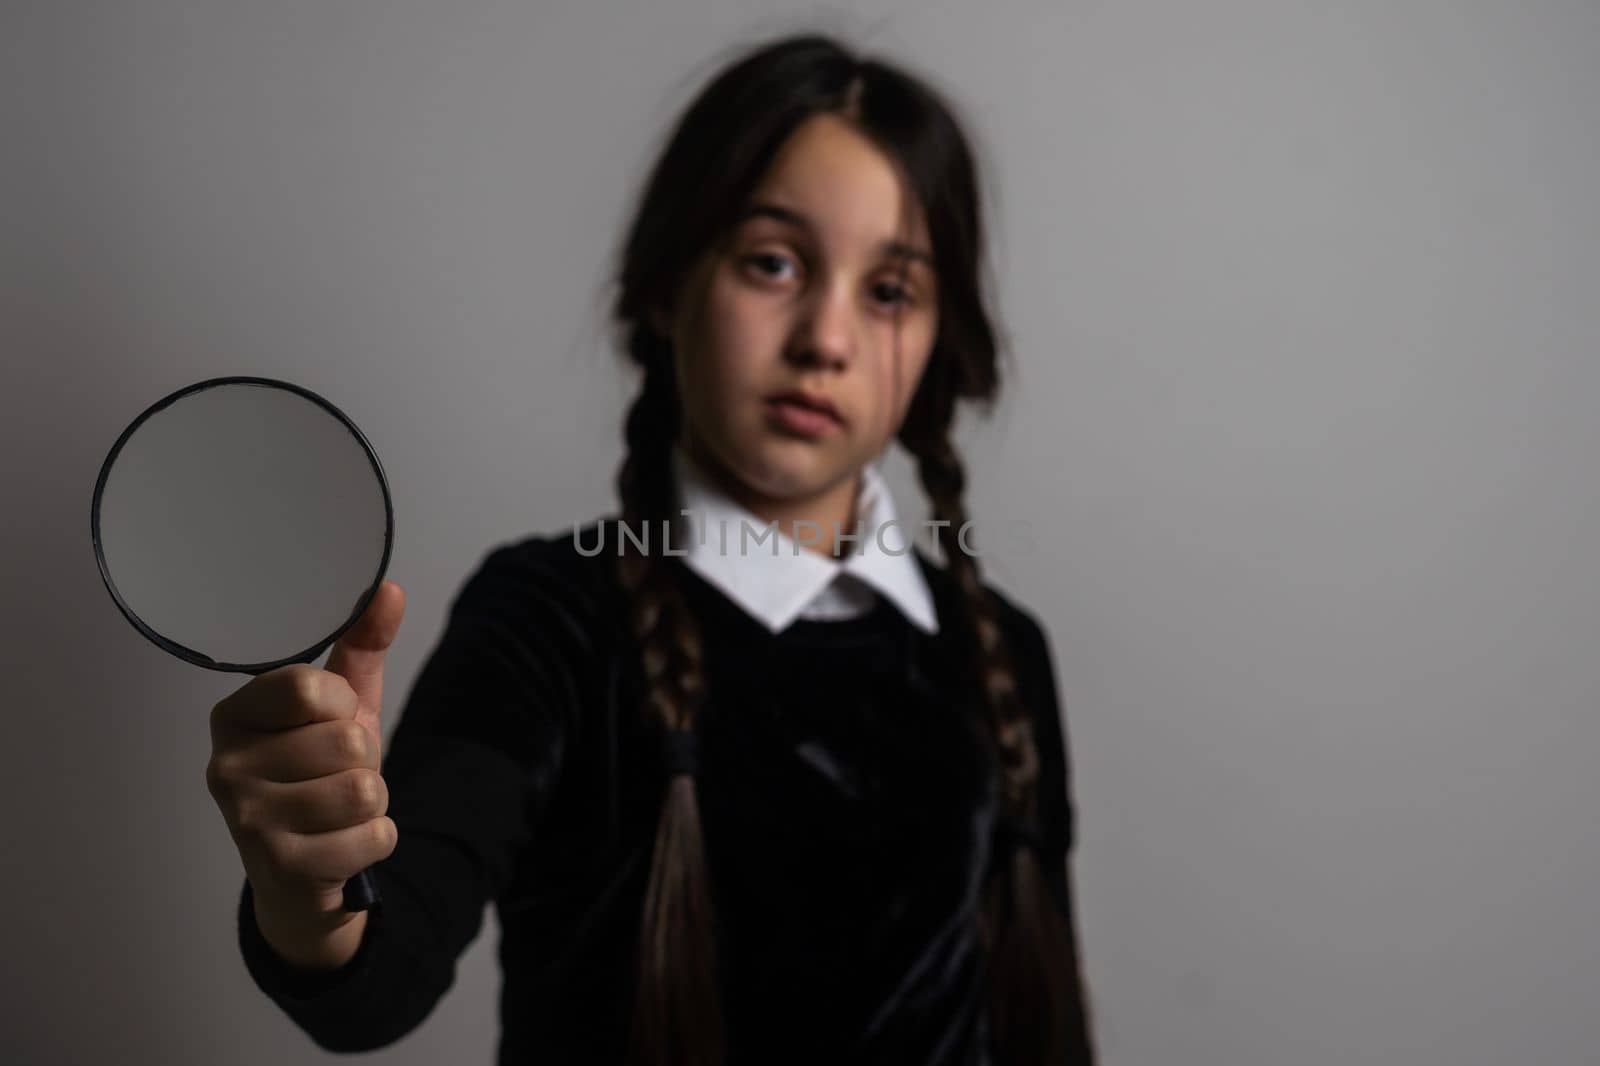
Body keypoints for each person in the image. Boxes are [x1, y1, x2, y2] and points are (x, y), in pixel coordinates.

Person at [205, 31, 1096, 1066]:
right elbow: (378, 971)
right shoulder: (547, 617)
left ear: (942, 336)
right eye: (773, 262)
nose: (826, 338)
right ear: (672, 282)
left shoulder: (1000, 654)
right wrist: (312, 884)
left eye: (888, 290)